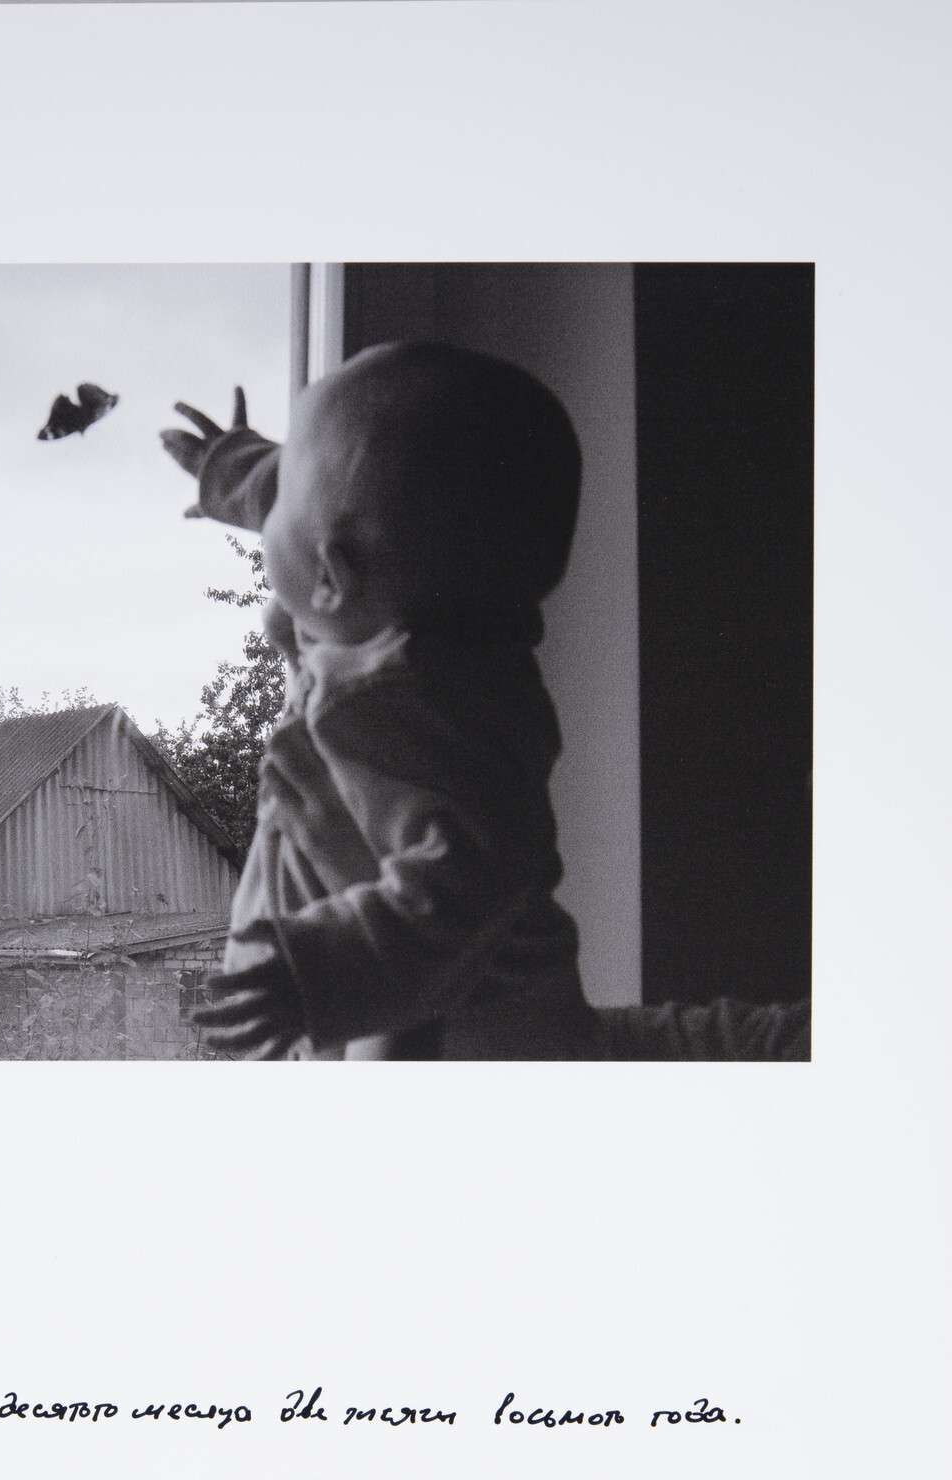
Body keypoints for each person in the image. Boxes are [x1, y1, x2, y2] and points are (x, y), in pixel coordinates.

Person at [160, 343, 809, 1062]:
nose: (271, 499)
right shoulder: (397, 607)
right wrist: (239, 471)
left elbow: (465, 885)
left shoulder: (422, 708)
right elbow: (344, 510)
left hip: (472, 1045)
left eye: (282, 493)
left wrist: (318, 973)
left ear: (332, 575)